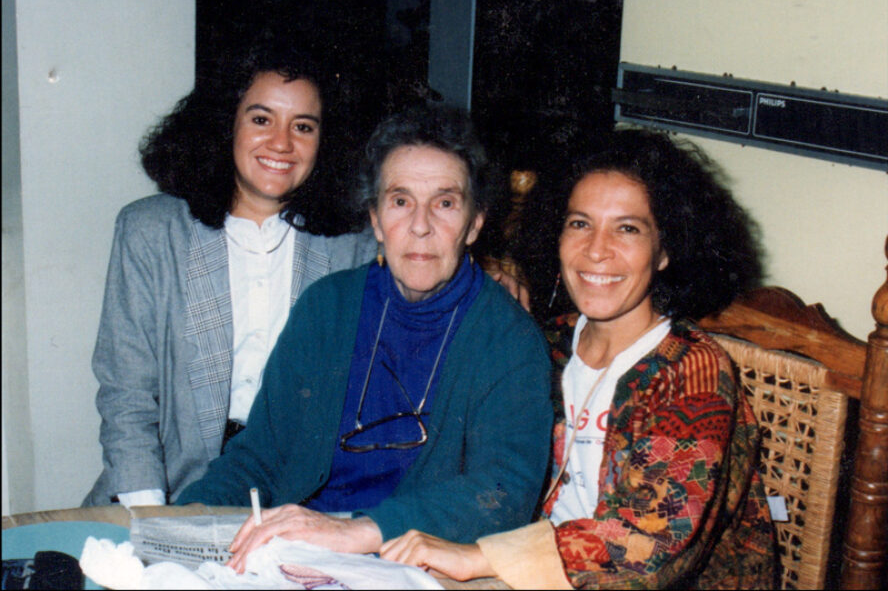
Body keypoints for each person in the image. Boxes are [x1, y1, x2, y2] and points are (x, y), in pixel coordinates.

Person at [83, 36, 529, 508]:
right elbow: (126, 397)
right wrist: (152, 521)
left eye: (304, 126)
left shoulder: (352, 240)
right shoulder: (151, 231)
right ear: (224, 124)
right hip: (163, 486)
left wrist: (495, 269)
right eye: (261, 119)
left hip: (291, 494)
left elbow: (427, 239)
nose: (281, 143)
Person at [380, 128, 778, 589]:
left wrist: (479, 557)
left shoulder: (691, 371)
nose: (596, 250)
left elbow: (649, 544)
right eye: (579, 223)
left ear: (666, 249)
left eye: (627, 228)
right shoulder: (543, 343)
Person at [175, 105, 553, 573]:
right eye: (400, 201)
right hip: (295, 553)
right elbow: (261, 456)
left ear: (475, 223)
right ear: (374, 219)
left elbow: (503, 493)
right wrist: (180, 527)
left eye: (445, 203)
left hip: (410, 564)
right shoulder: (328, 306)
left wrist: (353, 533)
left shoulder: (509, 340)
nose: (420, 225)